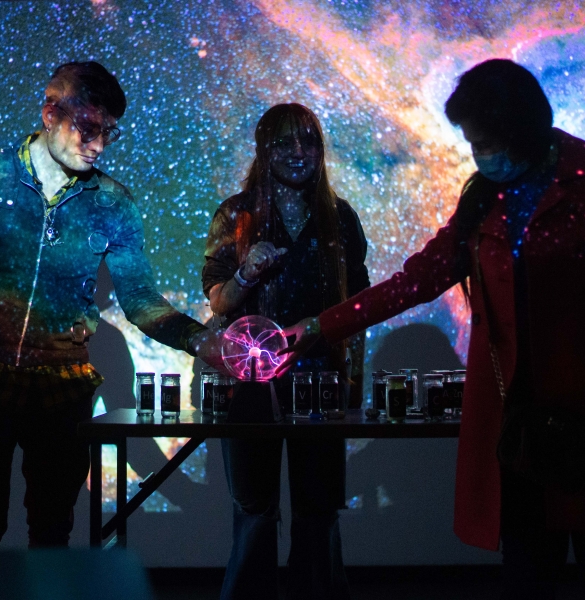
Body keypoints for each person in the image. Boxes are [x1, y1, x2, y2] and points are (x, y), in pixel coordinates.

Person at [282, 60, 585, 599]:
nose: (481, 156)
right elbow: (415, 281)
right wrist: (320, 327)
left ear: (524, 129)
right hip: (518, 431)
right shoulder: (483, 198)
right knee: (525, 574)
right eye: (473, 144)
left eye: (487, 142)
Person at [0, 61, 223, 549]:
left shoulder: (113, 203)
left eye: (109, 133)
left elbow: (139, 297)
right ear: (49, 112)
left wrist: (199, 338)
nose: (99, 144)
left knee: (53, 531)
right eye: (88, 128)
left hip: (61, 390)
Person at [202, 103, 370, 600]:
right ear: (264, 150)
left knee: (318, 511)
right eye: (286, 143)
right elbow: (217, 301)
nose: (300, 153)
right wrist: (245, 273)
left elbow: (358, 304)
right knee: (255, 512)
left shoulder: (340, 217)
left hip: (322, 382)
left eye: (309, 141)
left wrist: (354, 377)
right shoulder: (236, 215)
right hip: (250, 386)